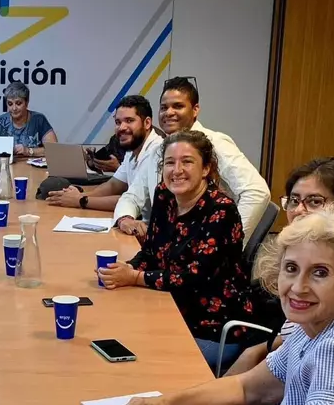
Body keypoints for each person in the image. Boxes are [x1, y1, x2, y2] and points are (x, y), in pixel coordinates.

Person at [129, 208, 334, 405]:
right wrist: (162, 402)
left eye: (320, 273)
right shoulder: (314, 322)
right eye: (291, 268)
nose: (298, 287)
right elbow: (248, 388)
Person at [99, 131, 257, 371]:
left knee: (139, 359)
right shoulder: (165, 195)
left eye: (187, 161)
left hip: (211, 327)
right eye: (170, 162)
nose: (177, 170)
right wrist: (125, 268)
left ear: (206, 169)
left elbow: (193, 278)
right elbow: (151, 251)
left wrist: (134, 277)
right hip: (169, 307)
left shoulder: (221, 211)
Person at [224, 156, 334, 376]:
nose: (299, 210)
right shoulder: (297, 251)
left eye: (315, 201)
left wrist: (257, 352)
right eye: (294, 200)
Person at [114, 77, 270, 243]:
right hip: (165, 246)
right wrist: (125, 218)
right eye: (164, 107)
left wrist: (229, 240)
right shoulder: (158, 150)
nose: (169, 113)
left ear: (195, 110)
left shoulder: (215, 143)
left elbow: (257, 192)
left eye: (178, 106)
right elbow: (132, 196)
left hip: (204, 249)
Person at [47, 95, 163, 211]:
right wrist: (78, 196)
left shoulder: (157, 151)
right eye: (118, 122)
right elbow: (114, 185)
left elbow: (132, 201)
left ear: (147, 123)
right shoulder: (133, 148)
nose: (121, 127)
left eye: (129, 121)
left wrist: (80, 200)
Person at [0, 81, 57, 157]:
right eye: (10, 104)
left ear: (27, 103)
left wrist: (29, 151)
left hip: (32, 164)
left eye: (18, 103)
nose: (14, 108)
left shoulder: (39, 119)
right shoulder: (2, 121)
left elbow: (54, 149)